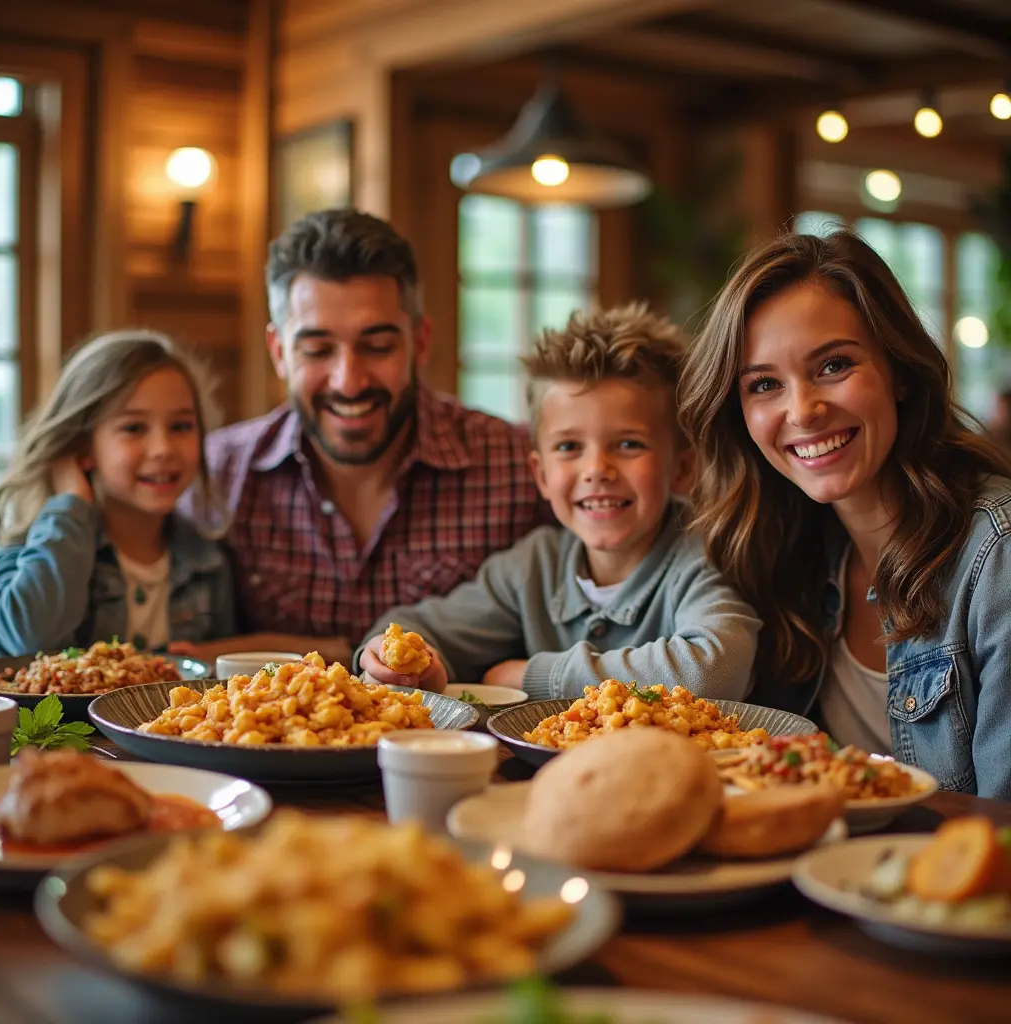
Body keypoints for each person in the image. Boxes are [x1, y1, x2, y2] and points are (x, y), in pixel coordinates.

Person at [677, 228, 1011, 799]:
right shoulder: (780, 543)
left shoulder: (996, 553)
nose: (803, 411)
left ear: (900, 372)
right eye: (764, 384)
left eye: (834, 365)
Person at [174, 209, 548, 665]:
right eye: (317, 350)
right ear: (279, 353)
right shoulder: (217, 474)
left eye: (377, 347)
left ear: (420, 342)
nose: (348, 381)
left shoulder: (518, 464)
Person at [358, 304, 761, 701]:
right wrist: (402, 659)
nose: (597, 469)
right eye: (569, 446)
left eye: (627, 444)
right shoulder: (533, 567)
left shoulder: (706, 556)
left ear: (682, 468)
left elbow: (715, 670)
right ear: (542, 475)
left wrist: (532, 676)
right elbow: (416, 627)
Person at [0, 330, 235, 656]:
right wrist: (71, 502)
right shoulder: (32, 552)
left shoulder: (208, 561)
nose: (162, 449)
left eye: (181, 427)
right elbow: (28, 644)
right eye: (134, 428)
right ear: (83, 447)